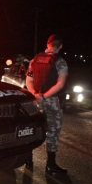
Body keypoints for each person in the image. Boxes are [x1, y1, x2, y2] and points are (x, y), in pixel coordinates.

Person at [25, 34, 68, 174]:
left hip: (34, 100)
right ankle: (50, 165)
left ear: (48, 44)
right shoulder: (60, 61)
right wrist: (44, 97)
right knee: (53, 131)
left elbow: (29, 81)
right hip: (52, 100)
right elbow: (60, 84)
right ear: (60, 46)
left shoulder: (34, 60)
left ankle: (28, 160)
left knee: (31, 129)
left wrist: (35, 95)